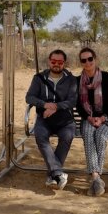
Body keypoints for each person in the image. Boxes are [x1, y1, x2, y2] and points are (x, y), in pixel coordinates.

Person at [25, 49, 77, 190]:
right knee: (40, 136)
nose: (56, 65)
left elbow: (72, 101)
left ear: (64, 63)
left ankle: (53, 174)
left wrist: (55, 107)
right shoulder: (39, 78)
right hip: (44, 118)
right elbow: (29, 97)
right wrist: (44, 104)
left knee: (67, 136)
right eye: (53, 61)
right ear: (49, 61)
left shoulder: (71, 79)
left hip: (65, 120)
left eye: (60, 62)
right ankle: (58, 173)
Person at [76, 47, 108, 196]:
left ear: (95, 59)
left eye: (90, 59)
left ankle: (95, 178)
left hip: (106, 118)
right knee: (88, 136)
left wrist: (101, 118)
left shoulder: (106, 77)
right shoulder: (78, 81)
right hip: (87, 118)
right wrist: (89, 118)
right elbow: (78, 105)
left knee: (100, 137)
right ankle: (96, 177)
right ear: (81, 62)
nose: (87, 62)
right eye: (83, 60)